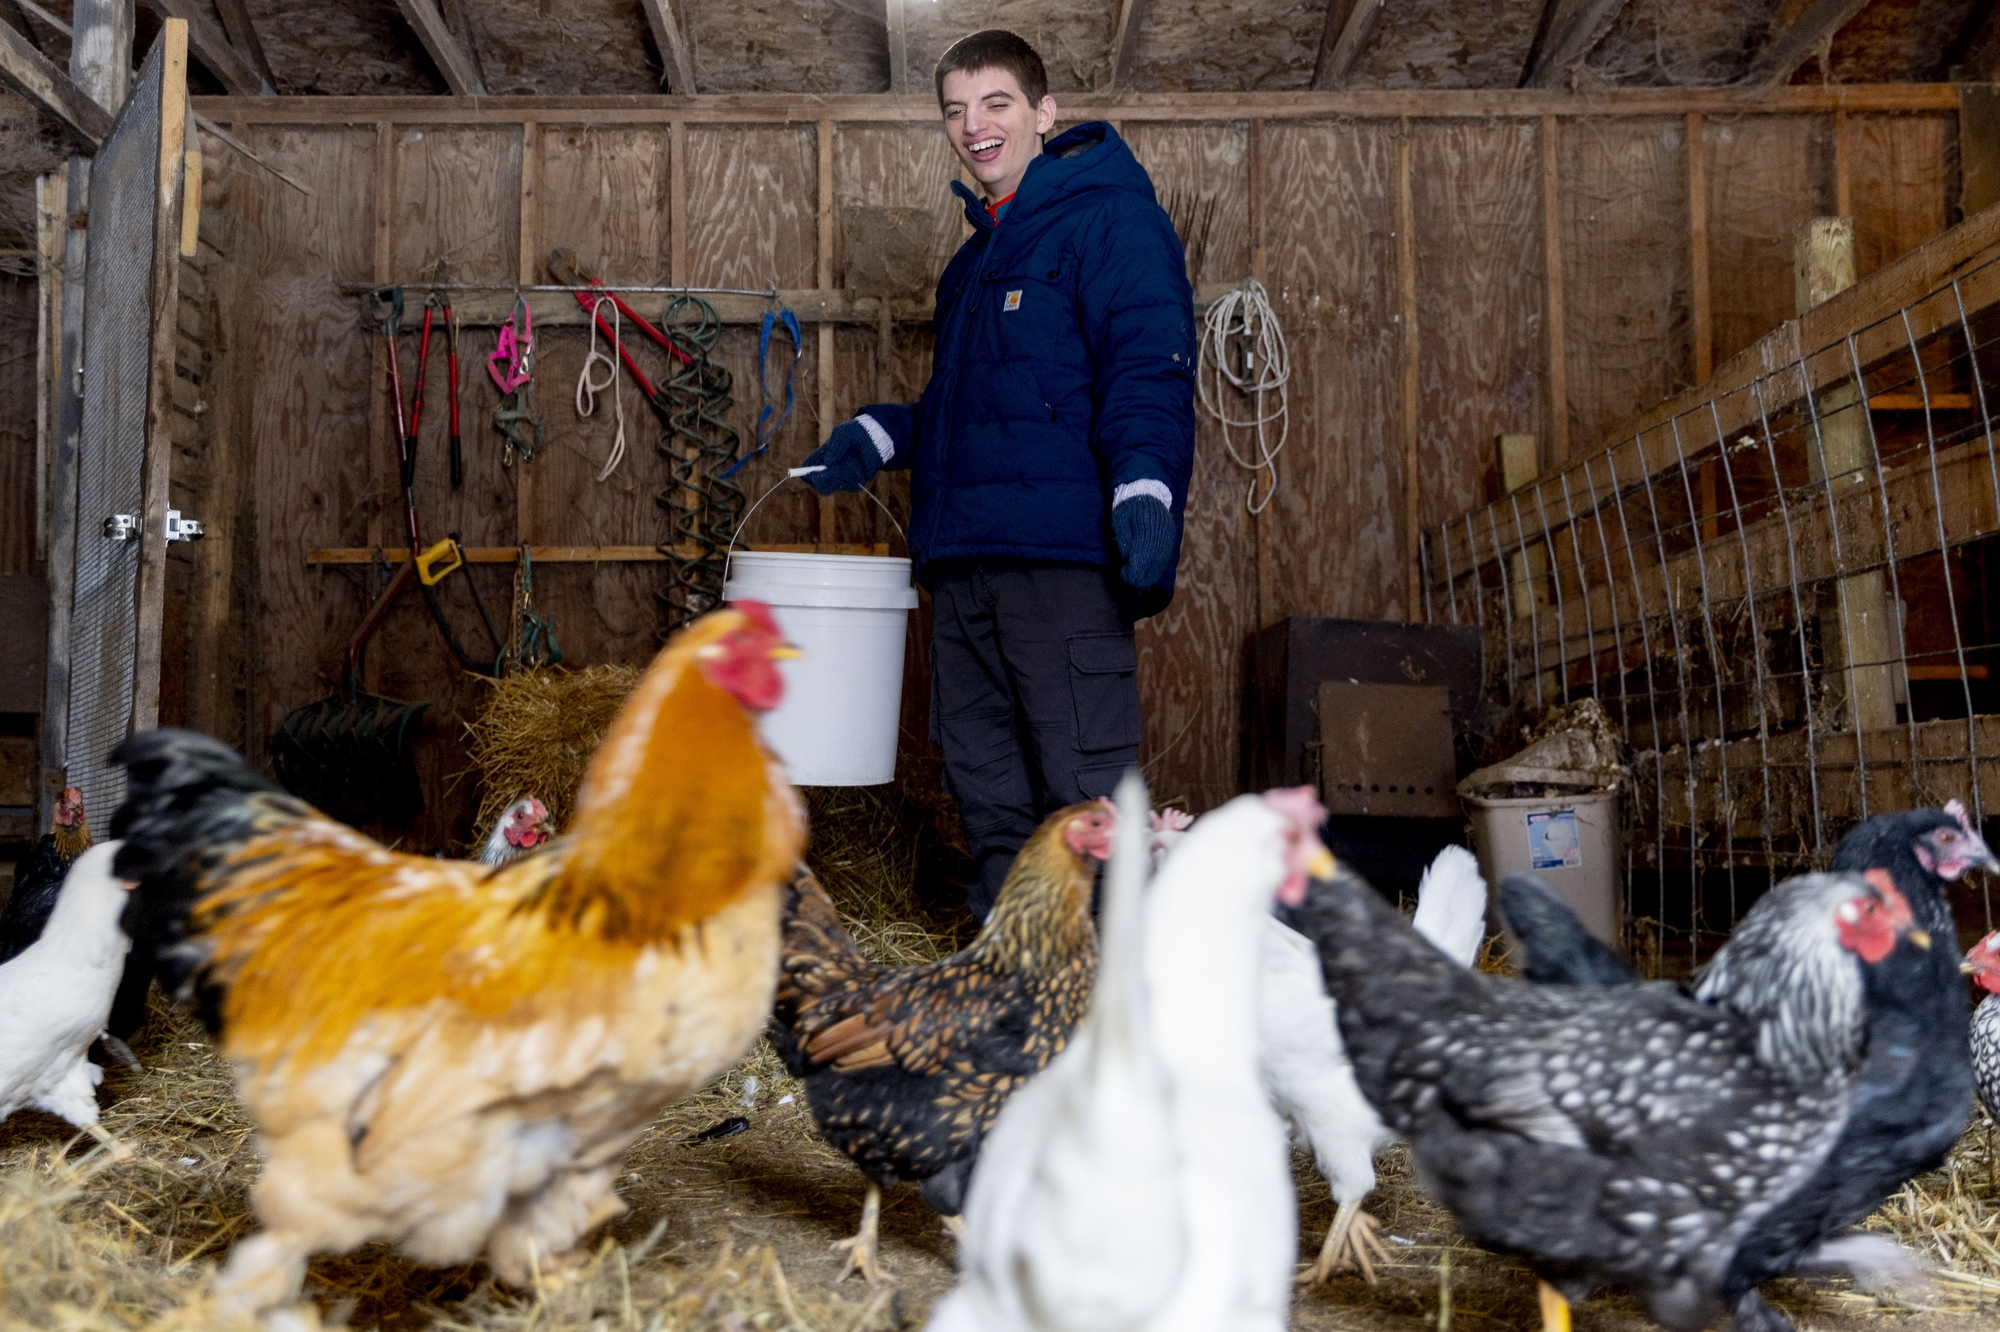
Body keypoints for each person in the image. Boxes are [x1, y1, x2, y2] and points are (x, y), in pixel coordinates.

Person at [800, 29, 1196, 918]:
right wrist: (882, 432)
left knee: (1084, 803)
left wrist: (1145, 488)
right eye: (954, 109)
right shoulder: (972, 265)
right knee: (989, 803)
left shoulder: (1112, 220)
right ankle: (1010, 1016)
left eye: (996, 103)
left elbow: (1147, 365)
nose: (973, 126)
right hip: (964, 563)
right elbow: (972, 408)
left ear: (1044, 114)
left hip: (1057, 563)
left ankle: (1113, 1024)